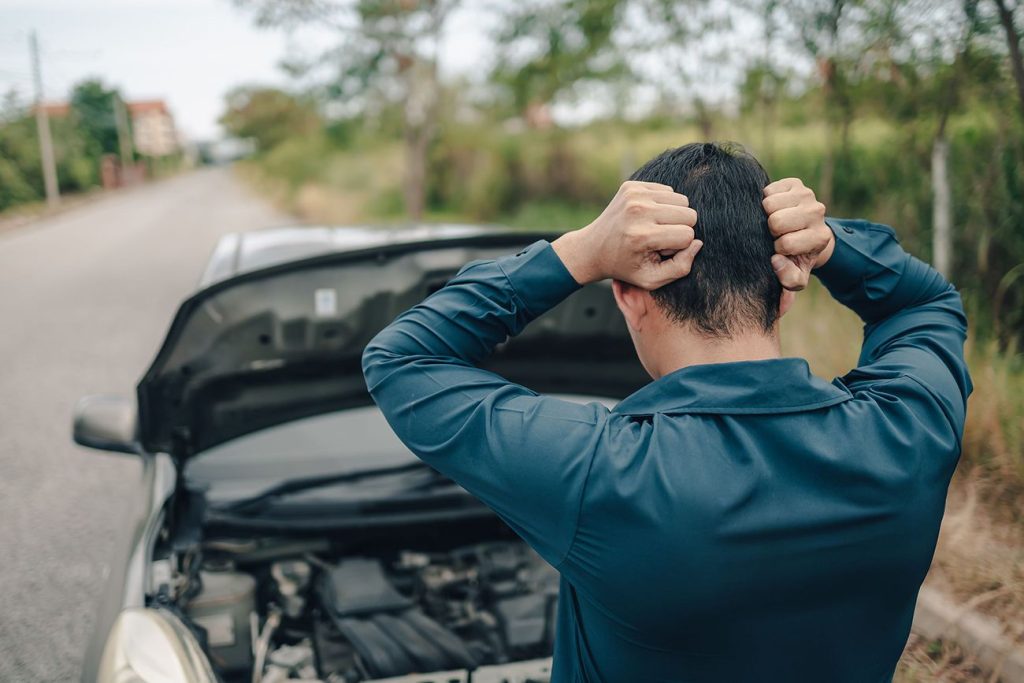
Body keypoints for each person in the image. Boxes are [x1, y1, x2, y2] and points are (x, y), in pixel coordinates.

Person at [361, 142, 972, 682]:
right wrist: (834, 244)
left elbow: (402, 359)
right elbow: (925, 303)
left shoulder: (601, 472)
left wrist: (578, 253)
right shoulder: (905, 433)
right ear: (786, 289)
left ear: (628, 298)